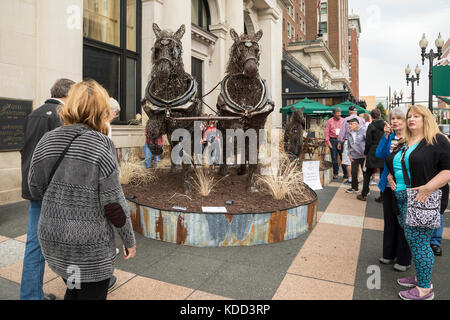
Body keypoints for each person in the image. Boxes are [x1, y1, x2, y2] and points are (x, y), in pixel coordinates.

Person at [28, 80, 137, 300]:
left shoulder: (47, 140)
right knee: (89, 293)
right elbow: (113, 203)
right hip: (89, 246)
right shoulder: (101, 144)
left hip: (53, 237)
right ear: (101, 109)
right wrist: (129, 240)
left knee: (74, 287)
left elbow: (34, 187)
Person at [386, 105, 450, 300]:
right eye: (410, 116)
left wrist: (428, 187)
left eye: (417, 116)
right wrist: (390, 177)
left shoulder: (437, 140)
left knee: (421, 243)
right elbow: (395, 164)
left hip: (423, 199)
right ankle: (422, 277)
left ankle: (424, 289)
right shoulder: (405, 141)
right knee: (413, 241)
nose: (412, 119)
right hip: (402, 197)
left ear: (426, 118)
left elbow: (447, 171)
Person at [20, 78, 75, 300]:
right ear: (68, 96)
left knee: (35, 243)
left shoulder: (34, 113)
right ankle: (79, 289)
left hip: (33, 187)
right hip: (54, 191)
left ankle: (31, 296)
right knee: (72, 241)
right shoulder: (63, 116)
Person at [375, 107, 412, 272]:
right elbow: (379, 154)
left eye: (399, 118)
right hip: (388, 186)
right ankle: (389, 253)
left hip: (406, 187)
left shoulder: (412, 139)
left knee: (404, 222)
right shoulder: (389, 137)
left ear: (405, 121)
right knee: (390, 220)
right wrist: (386, 136)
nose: (395, 121)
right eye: (393, 119)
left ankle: (404, 258)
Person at [358, 109, 385, 201]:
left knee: (367, 174)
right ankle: (382, 195)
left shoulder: (371, 125)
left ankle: (364, 194)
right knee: (383, 174)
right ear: (380, 115)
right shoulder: (385, 125)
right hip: (383, 151)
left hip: (372, 151)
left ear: (371, 116)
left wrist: (366, 153)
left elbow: (368, 141)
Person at [338, 105, 365, 184]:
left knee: (348, 161)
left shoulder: (346, 120)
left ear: (349, 111)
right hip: (360, 142)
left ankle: (350, 179)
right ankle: (358, 177)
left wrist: (339, 141)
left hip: (349, 141)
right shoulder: (362, 120)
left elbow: (342, 132)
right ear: (356, 111)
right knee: (358, 160)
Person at [345, 117, 367, 194]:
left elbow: (368, 141)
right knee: (353, 172)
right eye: (349, 124)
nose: (349, 126)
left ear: (356, 124)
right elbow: (349, 145)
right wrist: (349, 154)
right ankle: (354, 188)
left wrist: (367, 154)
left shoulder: (363, 130)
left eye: (351, 124)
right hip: (354, 155)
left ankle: (366, 190)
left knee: (365, 173)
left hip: (364, 155)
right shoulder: (349, 133)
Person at [324, 108, 345, 179]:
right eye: (338, 113)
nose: (339, 114)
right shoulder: (329, 121)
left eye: (340, 113)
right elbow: (326, 132)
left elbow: (345, 131)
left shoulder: (343, 120)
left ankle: (346, 173)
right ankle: (335, 173)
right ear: (334, 114)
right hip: (333, 141)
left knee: (343, 157)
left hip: (341, 141)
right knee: (334, 158)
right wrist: (328, 143)